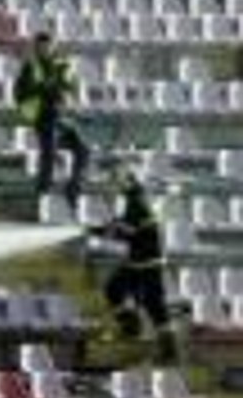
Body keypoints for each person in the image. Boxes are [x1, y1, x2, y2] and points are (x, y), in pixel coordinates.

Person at [91, 170, 175, 362]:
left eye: (120, 184)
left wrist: (99, 231)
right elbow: (125, 228)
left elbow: (126, 232)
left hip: (148, 264)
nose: (117, 188)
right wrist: (105, 229)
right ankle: (131, 326)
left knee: (154, 306)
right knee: (114, 289)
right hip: (138, 262)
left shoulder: (138, 203)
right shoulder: (135, 202)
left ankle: (168, 349)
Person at [15, 32, 89, 205]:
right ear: (36, 48)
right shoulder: (30, 67)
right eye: (41, 46)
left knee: (82, 150)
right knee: (48, 153)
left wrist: (67, 83)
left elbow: (68, 87)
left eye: (48, 46)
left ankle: (74, 186)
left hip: (59, 117)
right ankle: (43, 192)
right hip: (42, 116)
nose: (45, 49)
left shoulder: (59, 65)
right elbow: (22, 93)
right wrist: (46, 87)